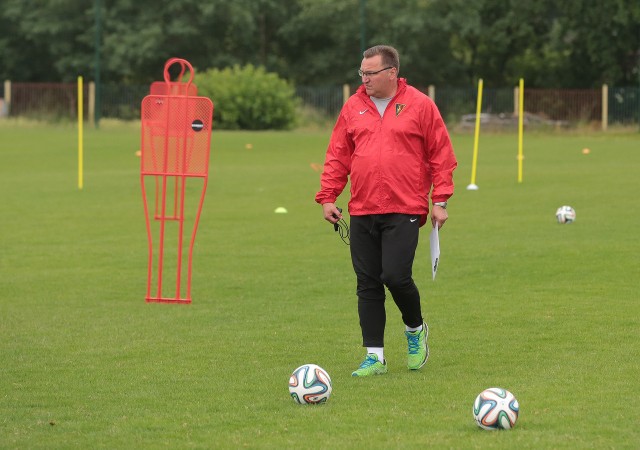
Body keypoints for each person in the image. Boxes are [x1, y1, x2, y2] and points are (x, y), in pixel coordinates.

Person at [315, 45, 457, 377]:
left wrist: (441, 201)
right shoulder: (353, 107)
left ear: (391, 73)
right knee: (367, 282)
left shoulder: (420, 105)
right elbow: (338, 155)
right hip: (362, 207)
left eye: (370, 73)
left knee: (395, 276)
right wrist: (327, 197)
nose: (364, 79)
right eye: (361, 73)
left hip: (404, 205)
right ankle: (374, 357)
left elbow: (442, 155)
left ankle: (415, 330)